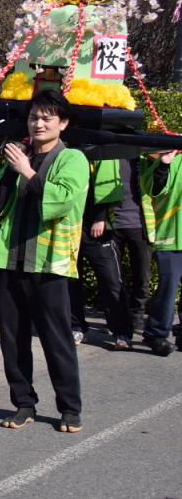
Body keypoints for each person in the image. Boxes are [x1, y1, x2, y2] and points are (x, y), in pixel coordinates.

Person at [0, 90, 88, 433]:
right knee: (12, 339)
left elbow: (62, 200)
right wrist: (14, 172)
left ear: (63, 123)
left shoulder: (72, 159)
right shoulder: (19, 158)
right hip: (9, 260)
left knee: (56, 337)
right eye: (33, 117)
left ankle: (70, 408)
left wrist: (27, 171)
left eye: (47, 118)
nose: (38, 123)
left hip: (48, 264)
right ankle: (23, 404)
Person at [67, 159, 132, 350]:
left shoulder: (102, 149)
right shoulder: (65, 151)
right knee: (71, 280)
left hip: (96, 229)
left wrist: (100, 217)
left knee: (111, 280)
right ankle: (76, 326)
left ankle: (122, 331)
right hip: (69, 228)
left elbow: (103, 185)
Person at [139, 149, 182, 356]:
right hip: (172, 236)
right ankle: (156, 334)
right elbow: (152, 188)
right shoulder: (171, 156)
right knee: (168, 288)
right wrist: (164, 164)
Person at [111, 158, 152, 334]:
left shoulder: (142, 159)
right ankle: (119, 317)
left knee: (142, 275)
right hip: (112, 225)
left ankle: (137, 316)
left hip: (140, 225)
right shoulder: (107, 156)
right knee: (113, 278)